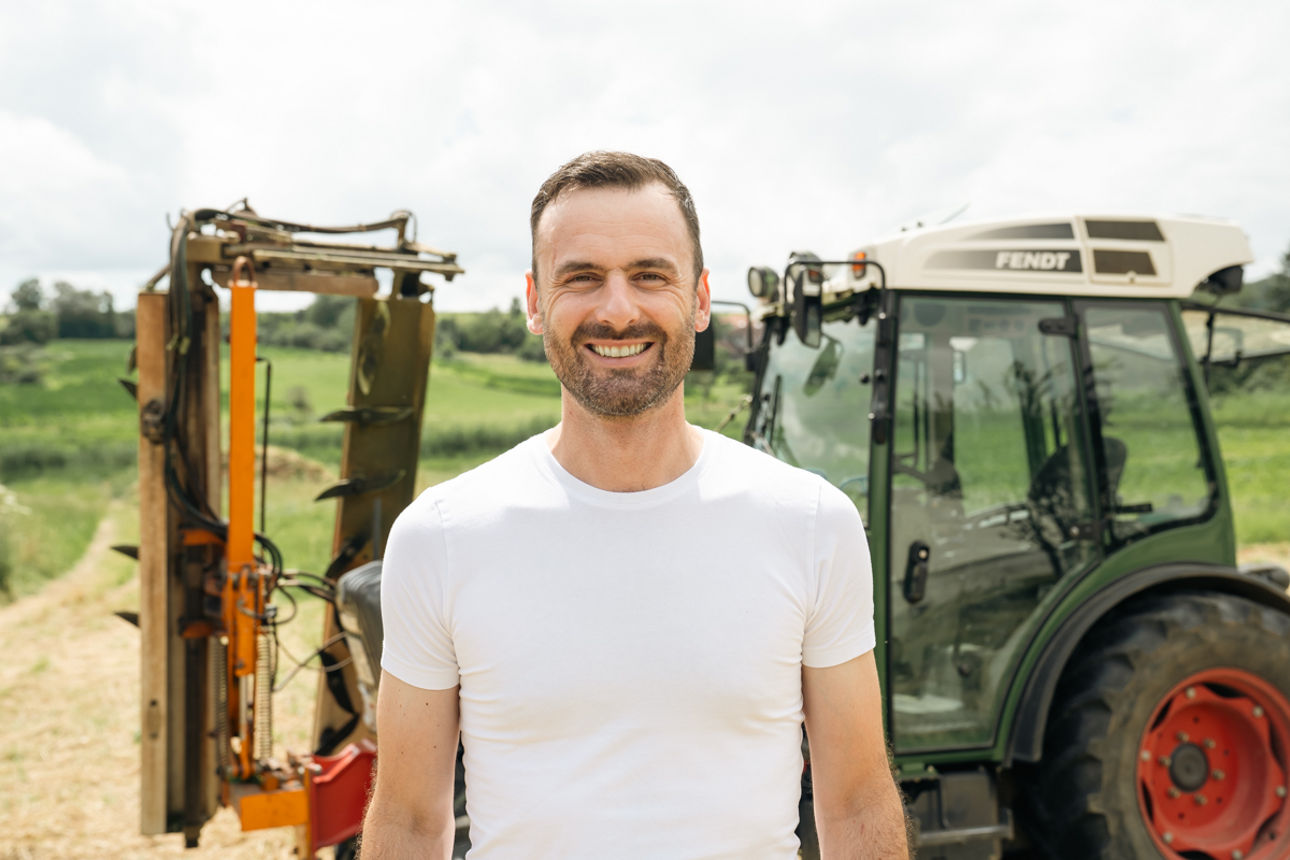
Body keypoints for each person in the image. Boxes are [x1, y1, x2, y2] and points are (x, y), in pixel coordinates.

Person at [361, 151, 908, 858]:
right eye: (582, 277)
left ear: (701, 298)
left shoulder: (810, 526)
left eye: (650, 275)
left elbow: (858, 803)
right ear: (534, 301)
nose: (617, 311)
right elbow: (408, 820)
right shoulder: (442, 537)